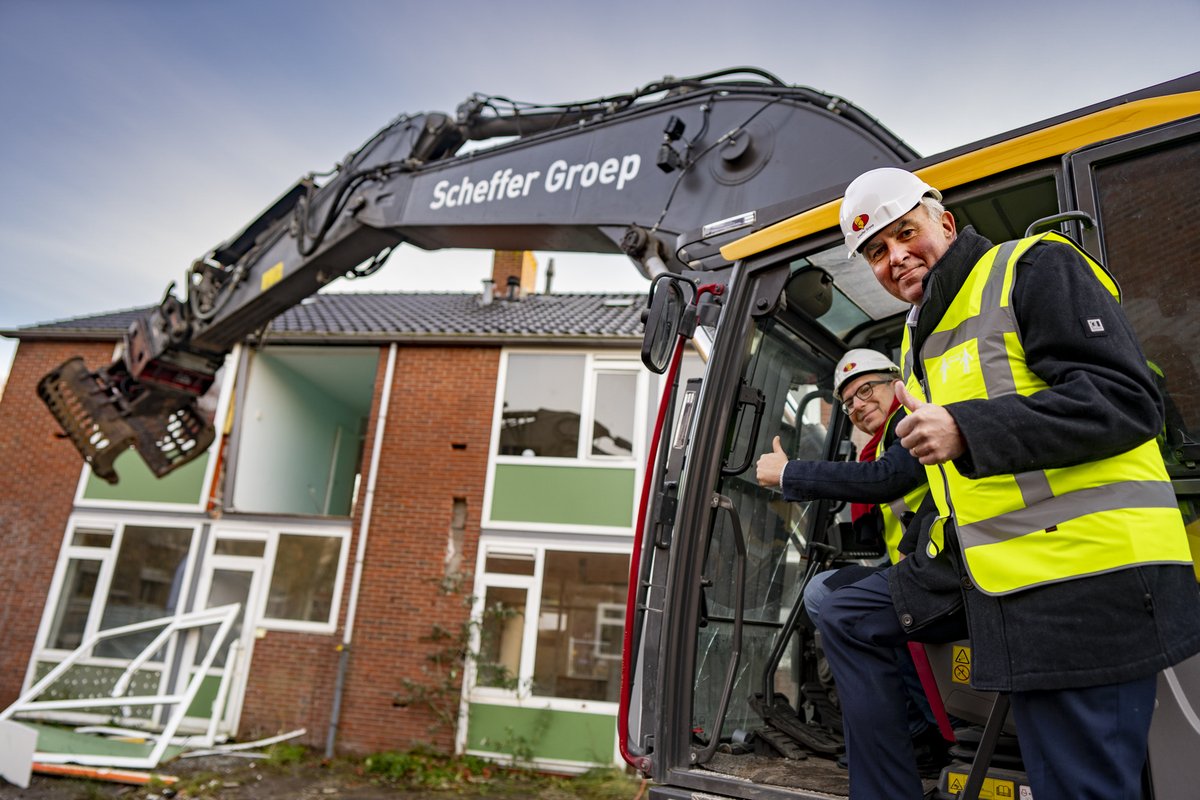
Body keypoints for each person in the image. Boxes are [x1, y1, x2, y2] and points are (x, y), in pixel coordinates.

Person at [814, 166, 1200, 799]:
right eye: (877, 252)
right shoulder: (921, 337)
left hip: (1086, 586)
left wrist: (967, 429)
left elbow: (1126, 402)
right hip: (1009, 581)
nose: (896, 258)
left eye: (904, 233)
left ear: (943, 219)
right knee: (845, 609)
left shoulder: (1033, 268)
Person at [756, 349, 949, 771]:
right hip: (914, 567)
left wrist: (792, 474)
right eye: (848, 403)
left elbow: (886, 480)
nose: (858, 406)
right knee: (830, 590)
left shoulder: (914, 421)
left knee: (834, 600)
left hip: (939, 572)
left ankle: (921, 734)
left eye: (867, 390)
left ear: (896, 384)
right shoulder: (878, 449)